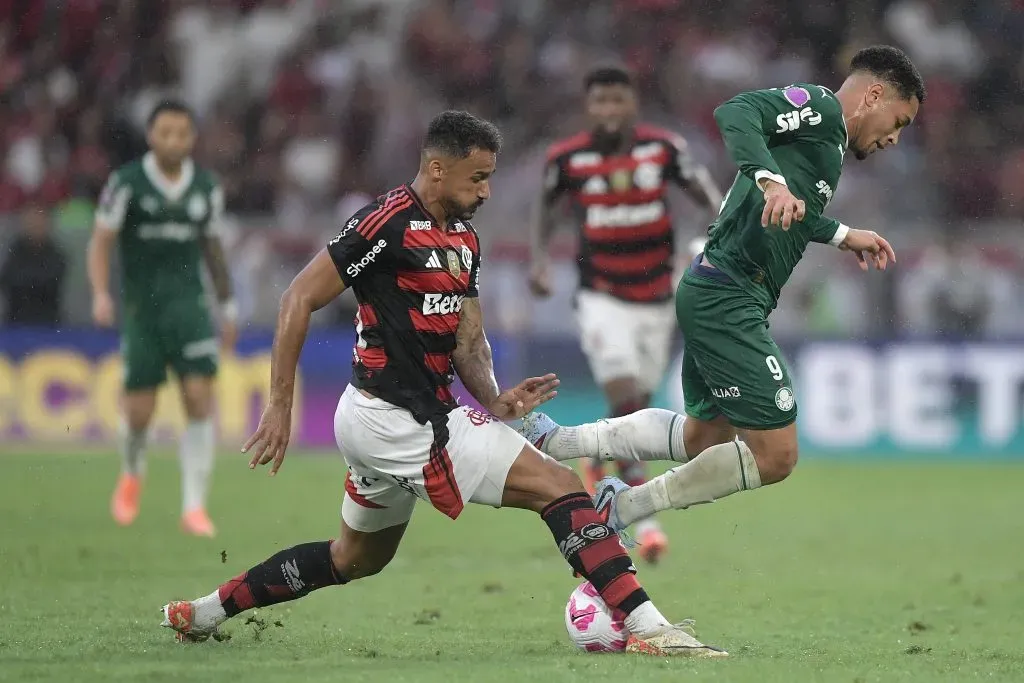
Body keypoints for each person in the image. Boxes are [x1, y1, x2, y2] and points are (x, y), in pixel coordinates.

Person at [159, 111, 726, 658]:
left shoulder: (465, 241)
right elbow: (298, 298)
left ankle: (203, 613)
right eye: (477, 177)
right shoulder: (386, 221)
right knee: (559, 485)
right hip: (395, 416)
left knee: (354, 558)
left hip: (396, 417)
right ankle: (650, 628)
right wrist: (279, 404)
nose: (485, 191)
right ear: (437, 169)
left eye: (490, 179)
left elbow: (468, 342)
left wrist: (495, 398)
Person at [516, 45, 924, 541]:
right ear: (875, 94)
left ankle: (554, 439)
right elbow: (736, 112)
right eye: (899, 121)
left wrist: (839, 234)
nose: (895, 139)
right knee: (777, 455)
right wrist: (771, 181)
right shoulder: (819, 108)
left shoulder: (828, 142)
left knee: (703, 436)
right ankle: (622, 510)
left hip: (719, 287)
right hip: (728, 294)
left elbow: (783, 212)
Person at [528, 66, 722, 563]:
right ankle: (638, 509)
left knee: (639, 398)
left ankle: (597, 455)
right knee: (626, 396)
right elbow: (545, 207)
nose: (608, 112)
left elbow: (708, 197)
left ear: (632, 103)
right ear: (588, 107)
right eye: (599, 103)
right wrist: (539, 259)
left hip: (658, 297)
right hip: (602, 295)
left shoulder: (663, 149)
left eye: (617, 101)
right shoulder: (567, 158)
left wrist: (715, 242)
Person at [88, 100, 237, 537]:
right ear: (152, 136)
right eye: (165, 132)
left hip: (189, 309)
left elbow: (213, 250)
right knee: (139, 412)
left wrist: (227, 307)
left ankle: (194, 507)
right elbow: (100, 242)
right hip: (142, 312)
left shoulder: (206, 187)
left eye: (182, 133)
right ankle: (132, 473)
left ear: (192, 138)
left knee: (197, 398)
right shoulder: (127, 183)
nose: (174, 140)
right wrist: (100, 293)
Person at [0, 203, 67, 326]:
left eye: (39, 221)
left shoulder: (56, 253)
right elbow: (7, 280)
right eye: (31, 221)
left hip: (48, 321)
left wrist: (27, 281)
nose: (35, 225)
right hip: (15, 321)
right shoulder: (14, 251)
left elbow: (51, 282)